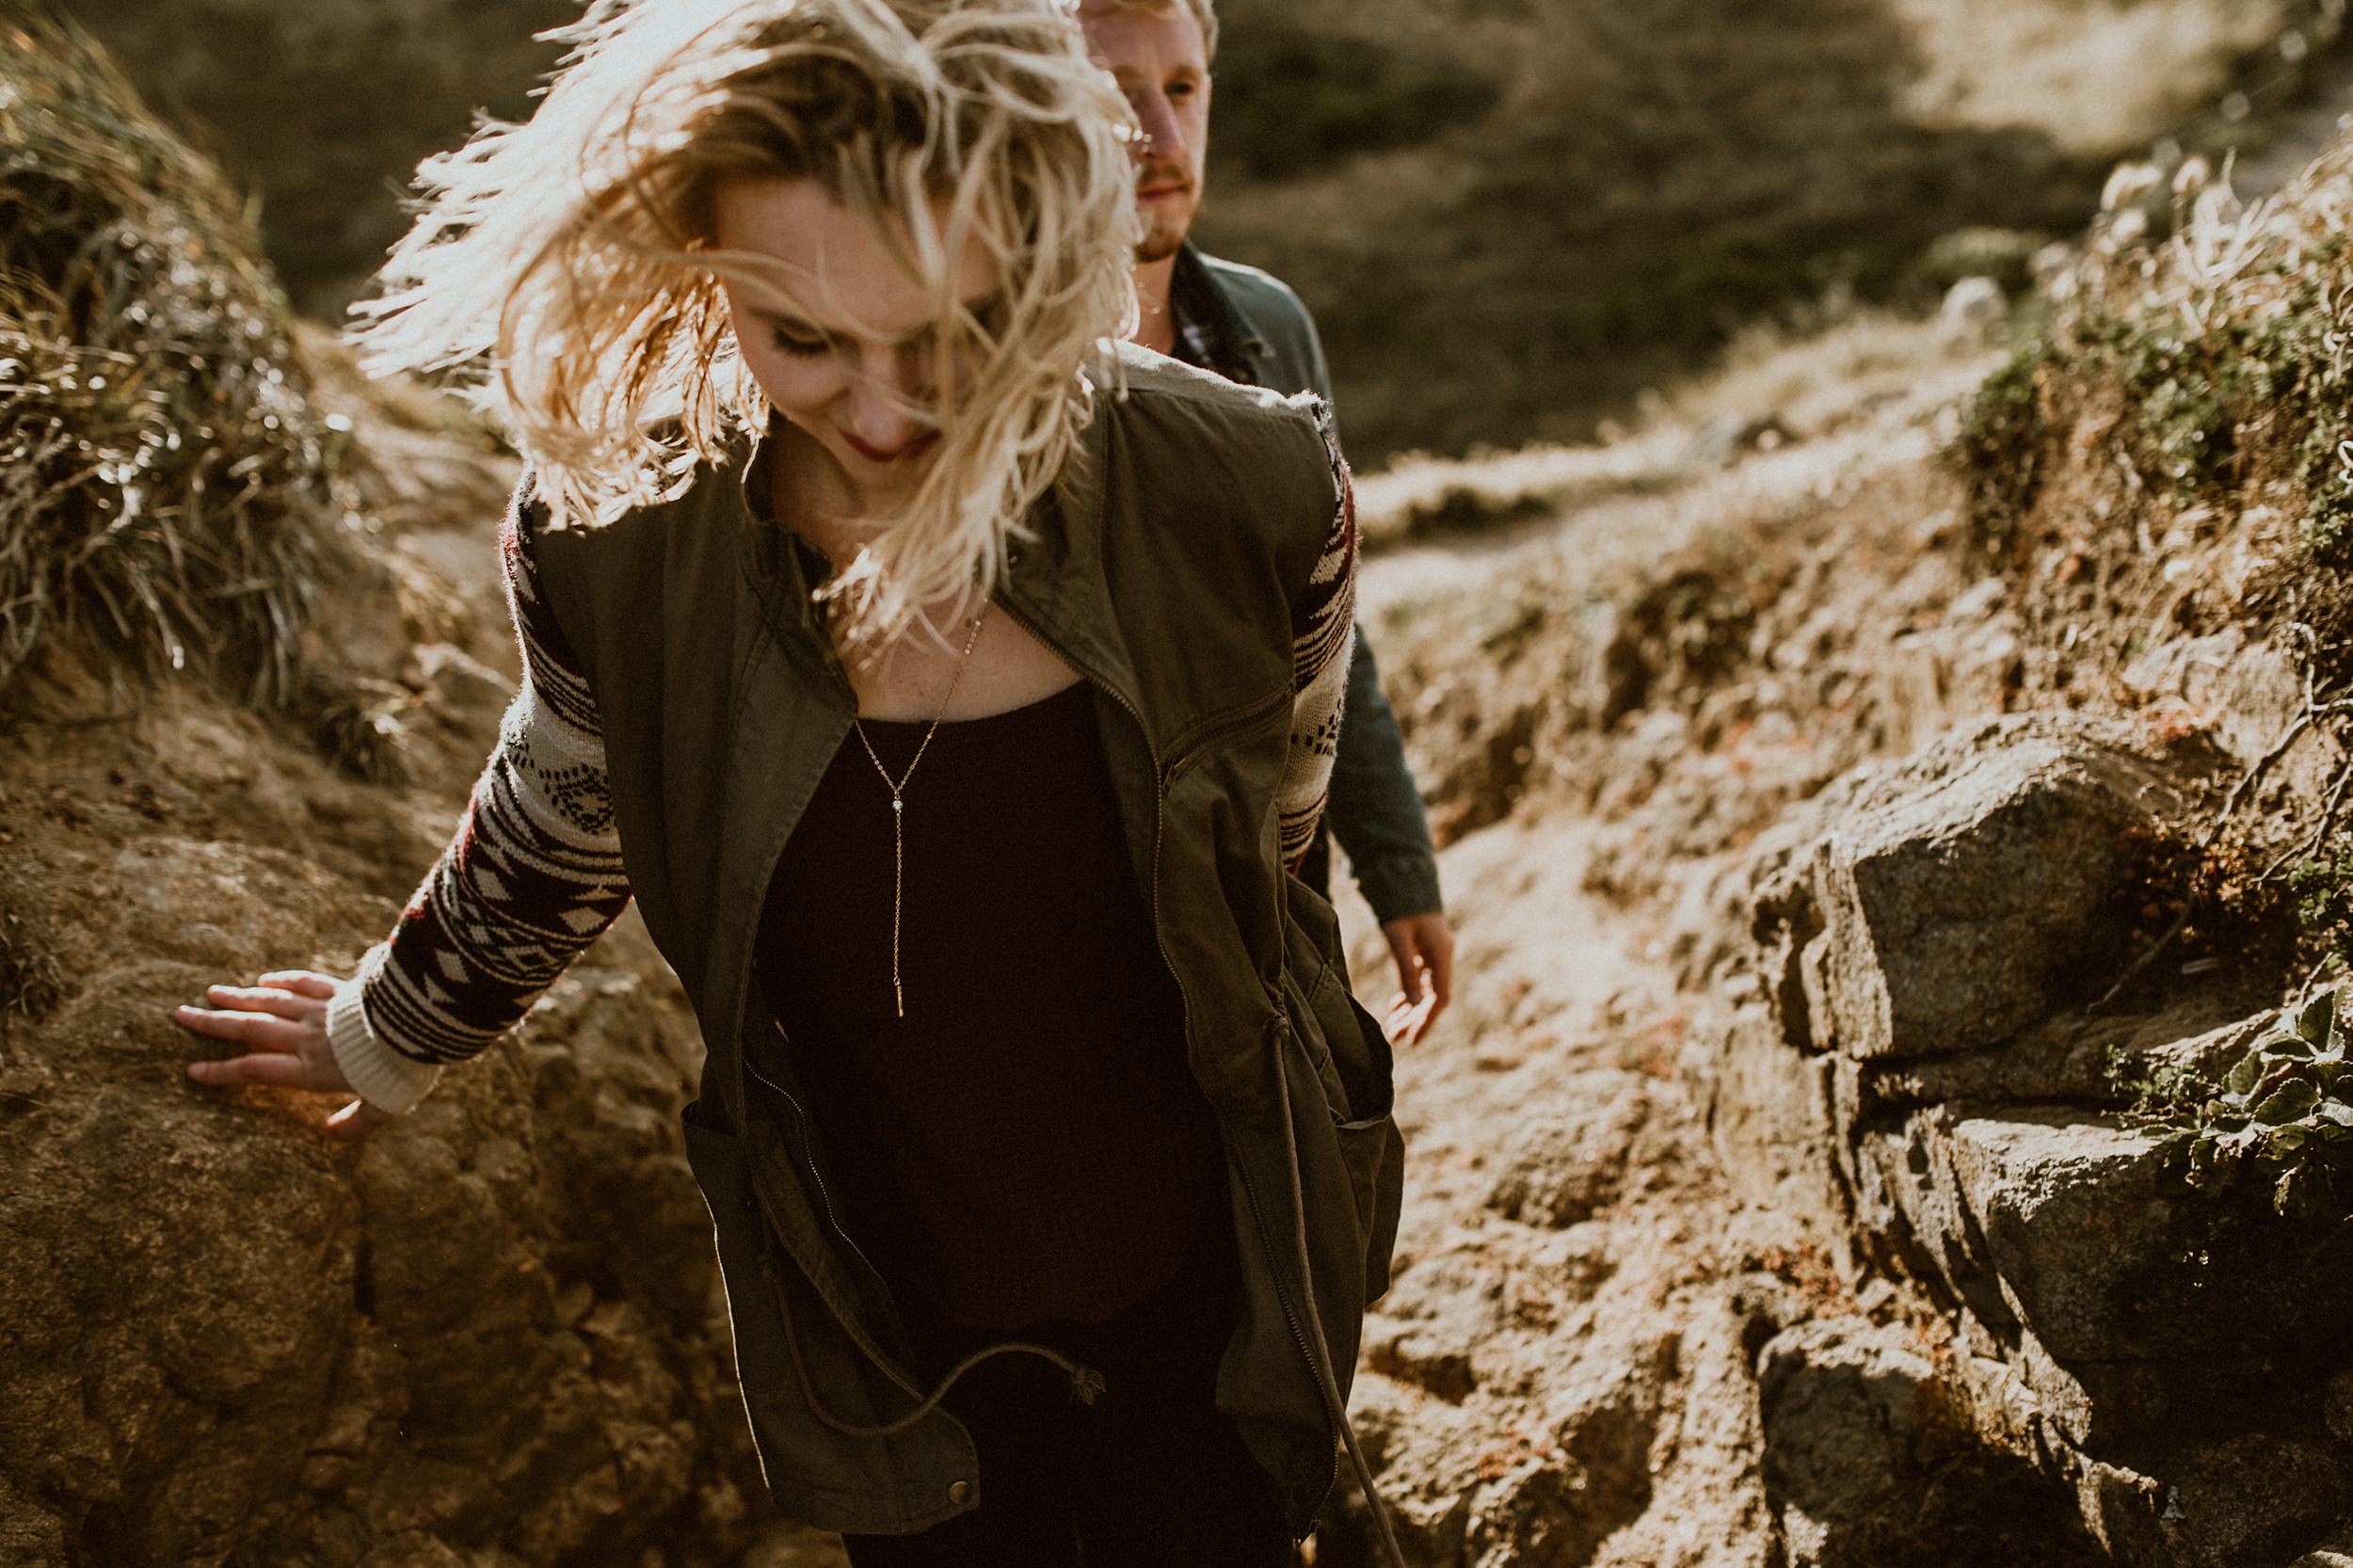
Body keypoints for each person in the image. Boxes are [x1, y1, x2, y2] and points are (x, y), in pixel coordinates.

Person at [168, 1, 1407, 1563]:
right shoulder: (617, 540)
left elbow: (1281, 852)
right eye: (802, 337)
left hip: (1218, 1281)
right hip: (884, 1319)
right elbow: (570, 799)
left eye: (952, 335)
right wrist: (384, 1033)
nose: (882, 417)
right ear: (702, 259)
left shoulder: (1254, 491)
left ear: (1044, 250)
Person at [1080, 0, 1455, 1048]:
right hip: (1079, 919)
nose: (1157, 138)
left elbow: (1332, 629)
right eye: (1111, 97)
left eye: (1182, 89)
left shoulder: (1268, 329)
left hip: (1280, 889)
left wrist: (1397, 862)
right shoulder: (981, 366)